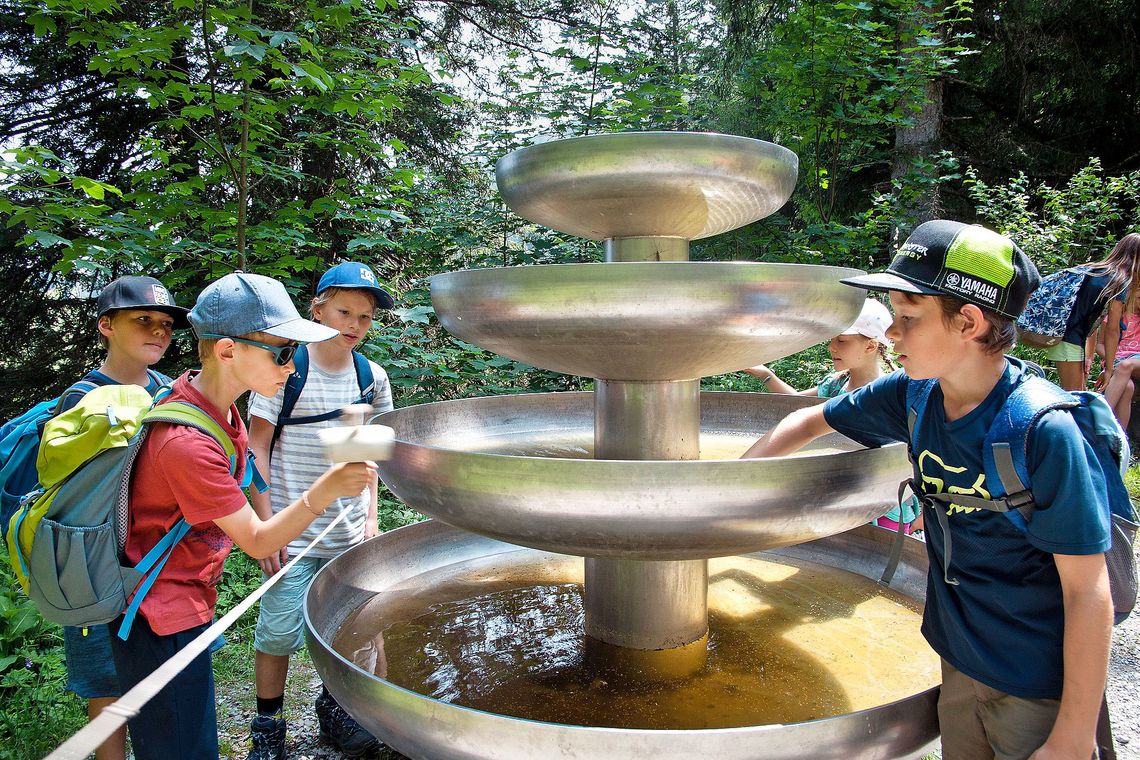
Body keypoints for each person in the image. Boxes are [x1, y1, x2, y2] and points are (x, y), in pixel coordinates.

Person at [744, 220, 1114, 760]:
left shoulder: (1042, 431)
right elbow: (805, 422)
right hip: (959, 663)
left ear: (968, 321)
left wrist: (1073, 736)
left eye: (909, 318)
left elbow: (1088, 591)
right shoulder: (912, 396)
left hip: (1038, 684)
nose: (892, 334)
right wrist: (725, 491)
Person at [107, 272, 378, 760]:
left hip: (187, 601)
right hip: (156, 613)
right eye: (281, 352)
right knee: (182, 746)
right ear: (228, 351)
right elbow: (256, 540)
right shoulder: (186, 442)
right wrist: (326, 490)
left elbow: (248, 466)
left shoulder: (215, 408)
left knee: (194, 736)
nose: (292, 368)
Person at [245, 262, 394, 759]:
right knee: (278, 630)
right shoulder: (288, 368)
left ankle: (336, 707)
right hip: (291, 530)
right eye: (344, 311)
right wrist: (265, 526)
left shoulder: (372, 378)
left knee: (350, 626)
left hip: (348, 532)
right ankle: (268, 725)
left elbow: (366, 458)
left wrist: (371, 519)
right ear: (318, 307)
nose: (353, 324)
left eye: (364, 317)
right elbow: (256, 449)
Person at [58, 275, 191, 760]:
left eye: (166, 324)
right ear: (105, 326)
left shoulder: (169, 392)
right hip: (100, 568)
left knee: (164, 678)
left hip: (160, 563)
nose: (158, 331)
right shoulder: (82, 400)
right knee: (108, 684)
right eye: (143, 320)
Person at [746, 299, 922, 534]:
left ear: (870, 346)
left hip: (881, 507)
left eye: (841, 340)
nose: (831, 346)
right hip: (833, 496)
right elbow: (798, 406)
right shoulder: (836, 383)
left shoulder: (890, 394)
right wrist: (767, 376)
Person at [1043, 232, 1140, 391]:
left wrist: (1088, 355)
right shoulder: (1119, 280)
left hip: (1066, 335)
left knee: (1079, 396)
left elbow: (1089, 316)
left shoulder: (1097, 271)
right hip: (1069, 338)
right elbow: (1112, 329)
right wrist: (1109, 369)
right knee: (1076, 399)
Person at [1101, 311, 1140, 428]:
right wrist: (1112, 364)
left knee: (1125, 365)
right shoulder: (1115, 316)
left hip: (1134, 361)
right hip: (1117, 363)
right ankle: (1120, 439)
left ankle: (1101, 416)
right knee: (1128, 387)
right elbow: (1099, 345)